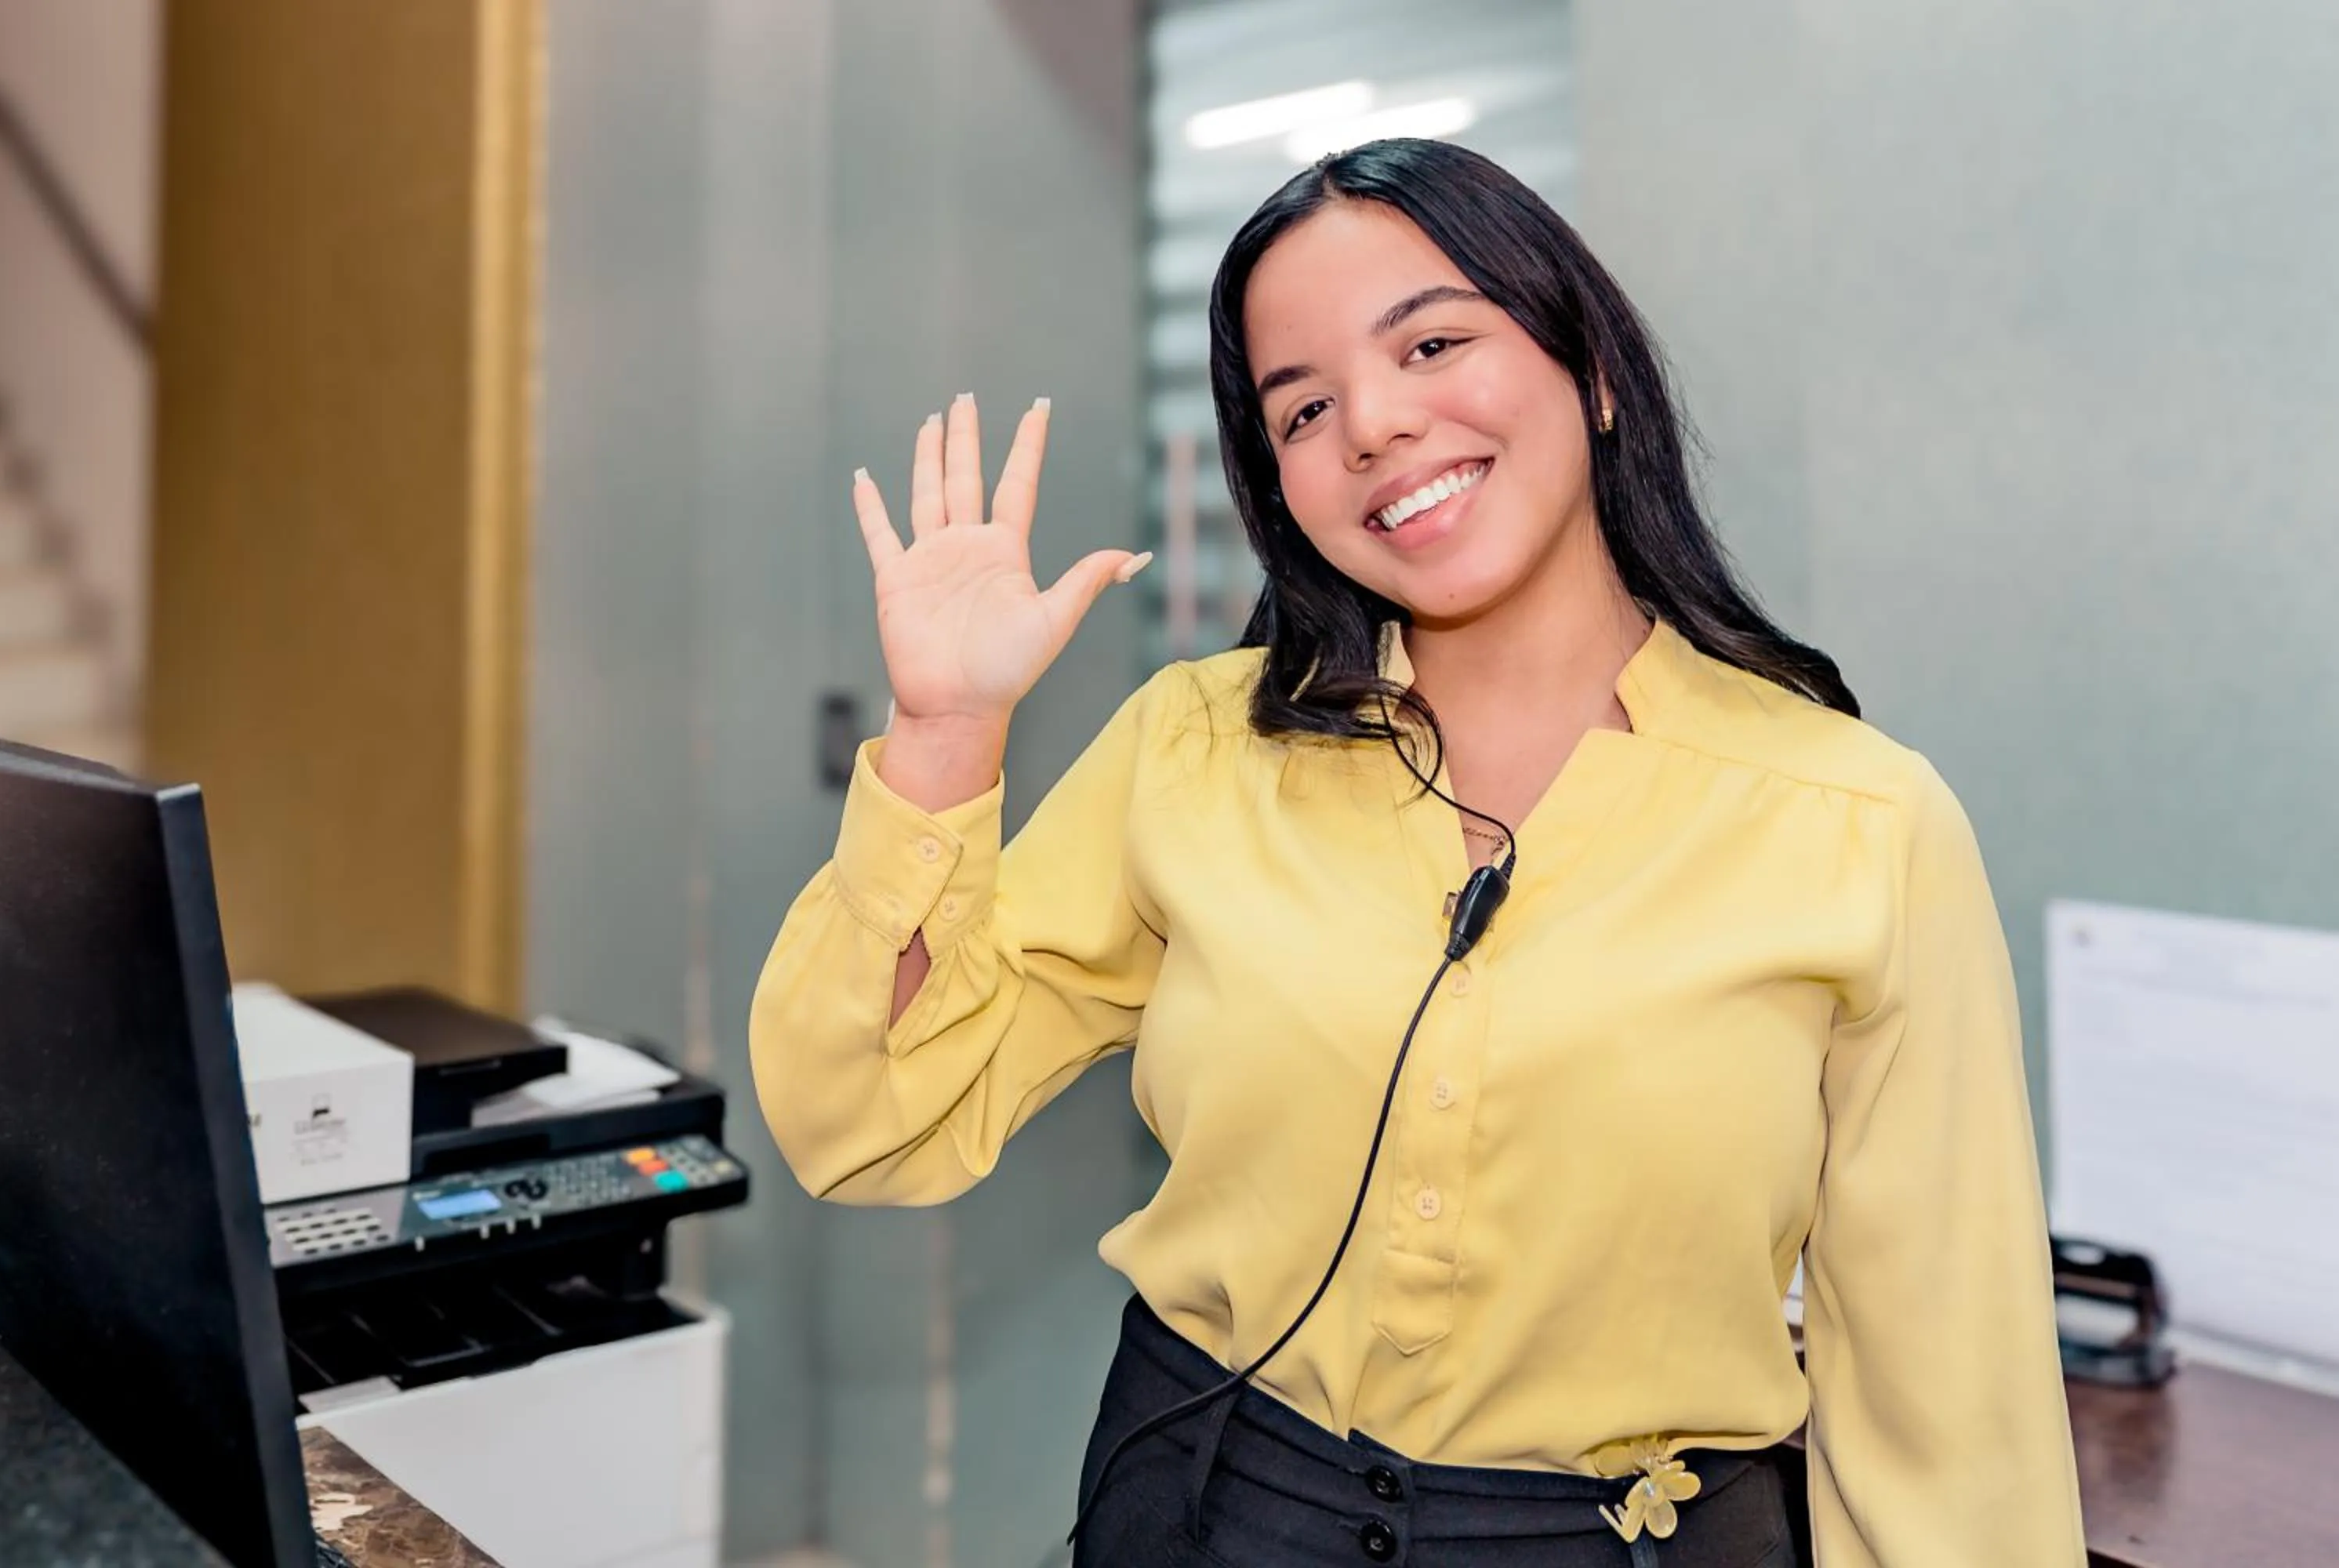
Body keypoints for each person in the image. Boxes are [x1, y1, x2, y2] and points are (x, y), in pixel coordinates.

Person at [752, 138, 2083, 1567]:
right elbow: (871, 1119)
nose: (1374, 425)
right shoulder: (1196, 748)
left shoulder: (1860, 821)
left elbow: (1947, 1385)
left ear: (1597, 369)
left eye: (1434, 341)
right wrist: (945, 734)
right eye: (1305, 407)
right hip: (1205, 1501)